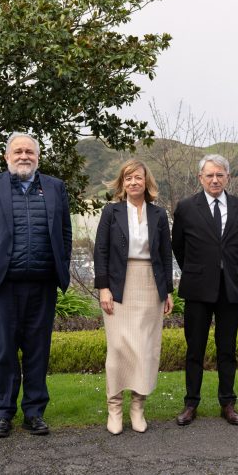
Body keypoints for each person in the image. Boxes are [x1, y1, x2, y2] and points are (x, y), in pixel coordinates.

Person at [0, 132, 72, 438]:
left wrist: (60, 268)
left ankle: (34, 413)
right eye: (18, 151)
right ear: (6, 157)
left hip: (42, 285)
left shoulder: (55, 187)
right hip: (3, 286)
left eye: (30, 152)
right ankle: (3, 413)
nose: (24, 156)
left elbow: (64, 233)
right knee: (5, 352)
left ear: (37, 157)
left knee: (39, 351)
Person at [93, 159, 174, 435]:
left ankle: (138, 407)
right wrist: (103, 287)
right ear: (122, 183)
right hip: (118, 285)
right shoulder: (111, 212)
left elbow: (165, 254)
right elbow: (100, 251)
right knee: (118, 350)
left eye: (138, 177)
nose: (133, 182)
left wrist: (168, 292)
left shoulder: (159, 214)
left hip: (150, 285)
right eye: (128, 178)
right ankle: (114, 407)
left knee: (146, 350)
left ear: (146, 181)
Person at [172, 154, 238, 426]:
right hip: (197, 288)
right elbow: (178, 247)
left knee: (227, 348)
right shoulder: (185, 208)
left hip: (229, 287)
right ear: (200, 178)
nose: (215, 179)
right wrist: (197, 269)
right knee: (195, 349)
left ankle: (227, 402)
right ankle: (191, 403)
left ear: (227, 177)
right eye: (209, 175)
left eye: (220, 175)